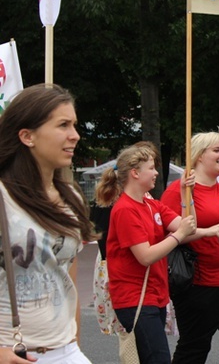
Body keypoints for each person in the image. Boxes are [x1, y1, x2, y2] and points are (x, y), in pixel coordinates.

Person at [0, 83, 97, 363]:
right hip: (14, 352)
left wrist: (74, 347)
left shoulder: (73, 197)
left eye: (75, 125)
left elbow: (69, 281)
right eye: (63, 125)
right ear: (27, 136)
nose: (75, 135)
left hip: (65, 351)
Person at [98, 143, 199, 363]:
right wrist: (178, 235)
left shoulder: (151, 204)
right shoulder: (125, 209)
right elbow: (145, 256)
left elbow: (188, 226)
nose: (156, 173)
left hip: (154, 296)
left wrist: (185, 192)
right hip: (135, 299)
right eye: (151, 168)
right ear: (135, 173)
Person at [161, 131, 219, 364]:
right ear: (199, 156)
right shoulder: (179, 190)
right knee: (194, 349)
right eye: (217, 150)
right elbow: (172, 235)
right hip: (199, 285)